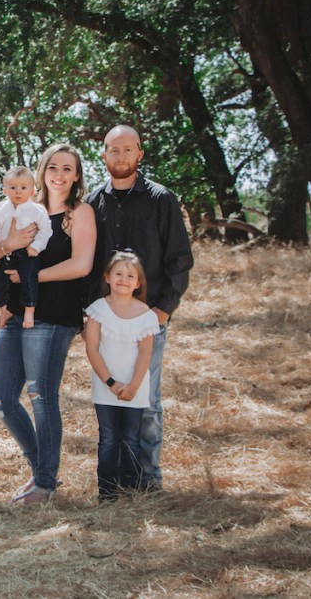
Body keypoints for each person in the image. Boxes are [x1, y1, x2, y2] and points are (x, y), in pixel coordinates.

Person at [0, 143, 97, 505]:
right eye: (53, 166)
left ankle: (45, 484)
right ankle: (41, 471)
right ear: (42, 171)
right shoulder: (21, 209)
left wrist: (29, 280)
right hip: (16, 314)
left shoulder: (79, 213)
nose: (59, 174)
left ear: (76, 175)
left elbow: (81, 266)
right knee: (0, 398)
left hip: (54, 317)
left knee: (40, 395)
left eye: (68, 168)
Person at [86, 125, 193, 491]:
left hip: (148, 320)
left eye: (127, 150)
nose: (120, 157)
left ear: (140, 154)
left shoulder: (161, 200)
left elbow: (180, 259)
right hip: (105, 321)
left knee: (146, 399)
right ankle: (114, 481)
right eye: (113, 150)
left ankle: (148, 479)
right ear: (103, 155)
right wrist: (88, 314)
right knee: (109, 396)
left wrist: (162, 310)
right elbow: (87, 263)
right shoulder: (93, 203)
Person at [84, 251, 160, 501]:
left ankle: (131, 489)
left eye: (130, 276)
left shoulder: (146, 314)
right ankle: (107, 492)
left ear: (138, 283)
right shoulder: (97, 310)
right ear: (107, 277)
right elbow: (92, 348)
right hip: (105, 387)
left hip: (134, 390)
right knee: (108, 439)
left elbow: (145, 354)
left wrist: (133, 386)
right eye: (118, 274)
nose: (123, 279)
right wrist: (111, 382)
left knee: (130, 438)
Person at [0, 165, 53, 329]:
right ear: (5, 190)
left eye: (23, 187)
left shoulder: (37, 210)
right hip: (6, 252)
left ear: (32, 191)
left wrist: (36, 246)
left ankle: (29, 310)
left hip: (28, 253)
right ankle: (4, 309)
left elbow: (46, 230)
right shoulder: (0, 209)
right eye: (13, 187)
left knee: (29, 278)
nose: (18, 192)